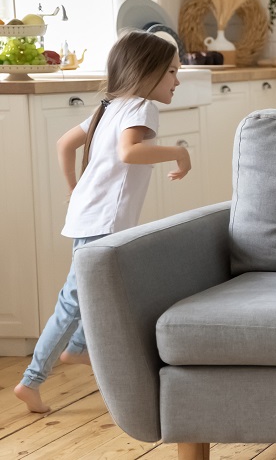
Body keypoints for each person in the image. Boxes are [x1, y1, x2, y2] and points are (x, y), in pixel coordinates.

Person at [14, 30, 190, 413]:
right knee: (73, 299)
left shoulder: (108, 107)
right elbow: (130, 153)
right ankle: (31, 380)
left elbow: (64, 144)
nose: (178, 80)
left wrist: (74, 188)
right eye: (172, 72)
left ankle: (77, 349)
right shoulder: (142, 108)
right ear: (148, 72)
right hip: (103, 221)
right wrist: (179, 153)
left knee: (100, 289)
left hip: (91, 214)